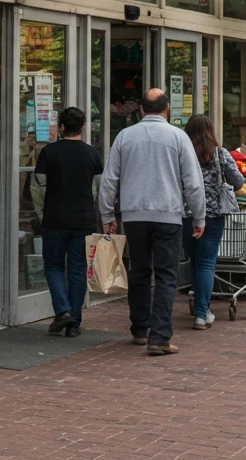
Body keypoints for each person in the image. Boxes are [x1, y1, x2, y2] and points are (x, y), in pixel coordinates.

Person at [99, 88, 205, 357]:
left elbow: (109, 179)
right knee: (167, 276)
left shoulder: (125, 136)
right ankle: (159, 337)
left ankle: (139, 329)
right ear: (166, 109)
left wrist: (107, 214)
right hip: (168, 215)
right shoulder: (178, 137)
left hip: (134, 215)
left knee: (139, 272)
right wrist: (198, 216)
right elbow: (193, 183)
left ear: (142, 110)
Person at [35, 107, 104, 336]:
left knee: (53, 266)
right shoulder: (92, 154)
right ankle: (74, 324)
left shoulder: (49, 152)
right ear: (83, 127)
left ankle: (62, 310)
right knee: (77, 269)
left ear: (61, 127)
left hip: (55, 218)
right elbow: (97, 189)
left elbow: (39, 187)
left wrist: (42, 211)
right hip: (84, 219)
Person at [182, 114, 246, 331]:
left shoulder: (181, 153)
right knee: (207, 262)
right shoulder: (220, 154)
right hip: (213, 215)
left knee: (195, 260)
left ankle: (200, 304)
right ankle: (201, 314)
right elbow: (238, 181)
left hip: (186, 214)